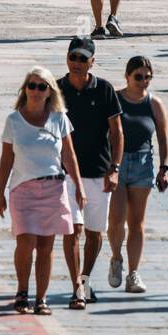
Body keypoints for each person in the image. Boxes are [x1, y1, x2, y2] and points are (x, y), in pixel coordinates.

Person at [0, 66, 84, 315]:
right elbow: (6, 160)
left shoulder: (59, 118)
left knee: (46, 246)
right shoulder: (13, 120)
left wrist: (78, 186)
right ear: (25, 89)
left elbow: (69, 155)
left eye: (41, 86)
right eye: (31, 85)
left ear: (49, 92)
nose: (35, 90)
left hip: (54, 188)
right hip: (23, 190)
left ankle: (41, 298)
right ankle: (22, 291)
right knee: (25, 242)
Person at [59, 38, 123, 306]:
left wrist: (115, 169)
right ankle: (77, 288)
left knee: (95, 232)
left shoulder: (105, 90)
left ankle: (85, 278)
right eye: (73, 57)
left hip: (99, 172)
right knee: (73, 230)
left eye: (82, 59)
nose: (76, 63)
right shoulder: (56, 89)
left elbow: (117, 132)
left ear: (92, 62)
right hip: (65, 174)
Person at [106, 57, 168, 295]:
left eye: (147, 77)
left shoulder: (154, 104)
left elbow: (162, 137)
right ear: (127, 77)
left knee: (136, 222)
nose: (143, 82)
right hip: (117, 164)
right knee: (116, 219)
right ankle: (115, 257)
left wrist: (164, 167)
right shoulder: (115, 99)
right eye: (138, 77)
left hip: (143, 163)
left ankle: (133, 272)